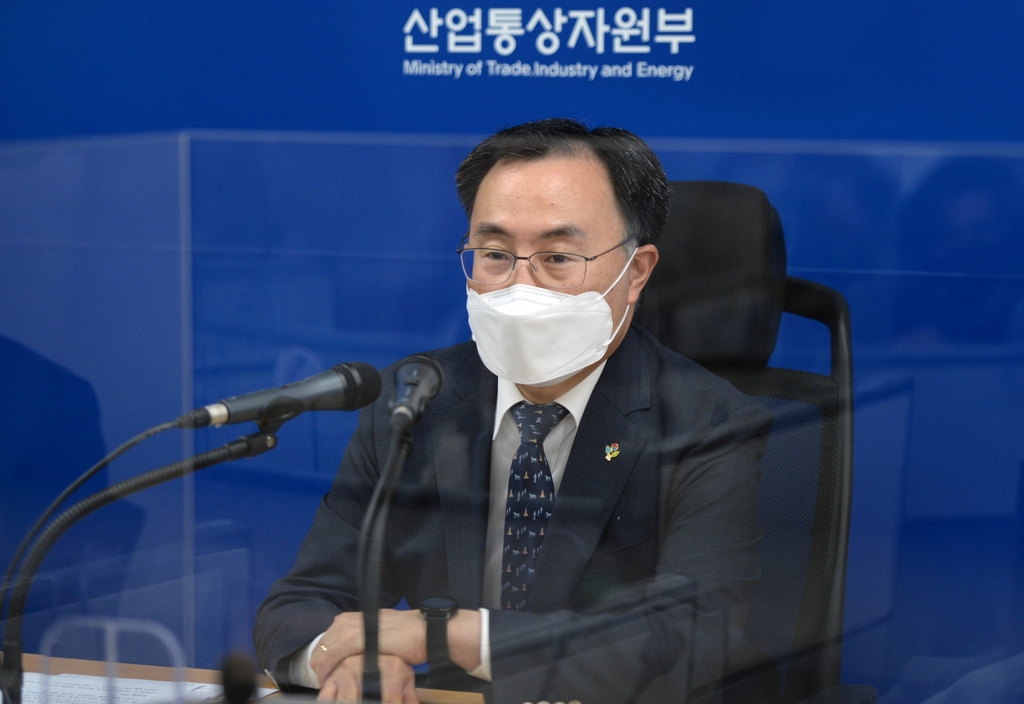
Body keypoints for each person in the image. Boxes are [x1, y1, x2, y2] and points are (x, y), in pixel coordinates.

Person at [253, 118, 772, 704]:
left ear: (637, 273)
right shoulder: (416, 398)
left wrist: (451, 638)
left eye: (556, 257)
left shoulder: (706, 424)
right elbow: (299, 601)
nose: (519, 289)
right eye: (496, 254)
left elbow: (690, 637)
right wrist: (340, 658)